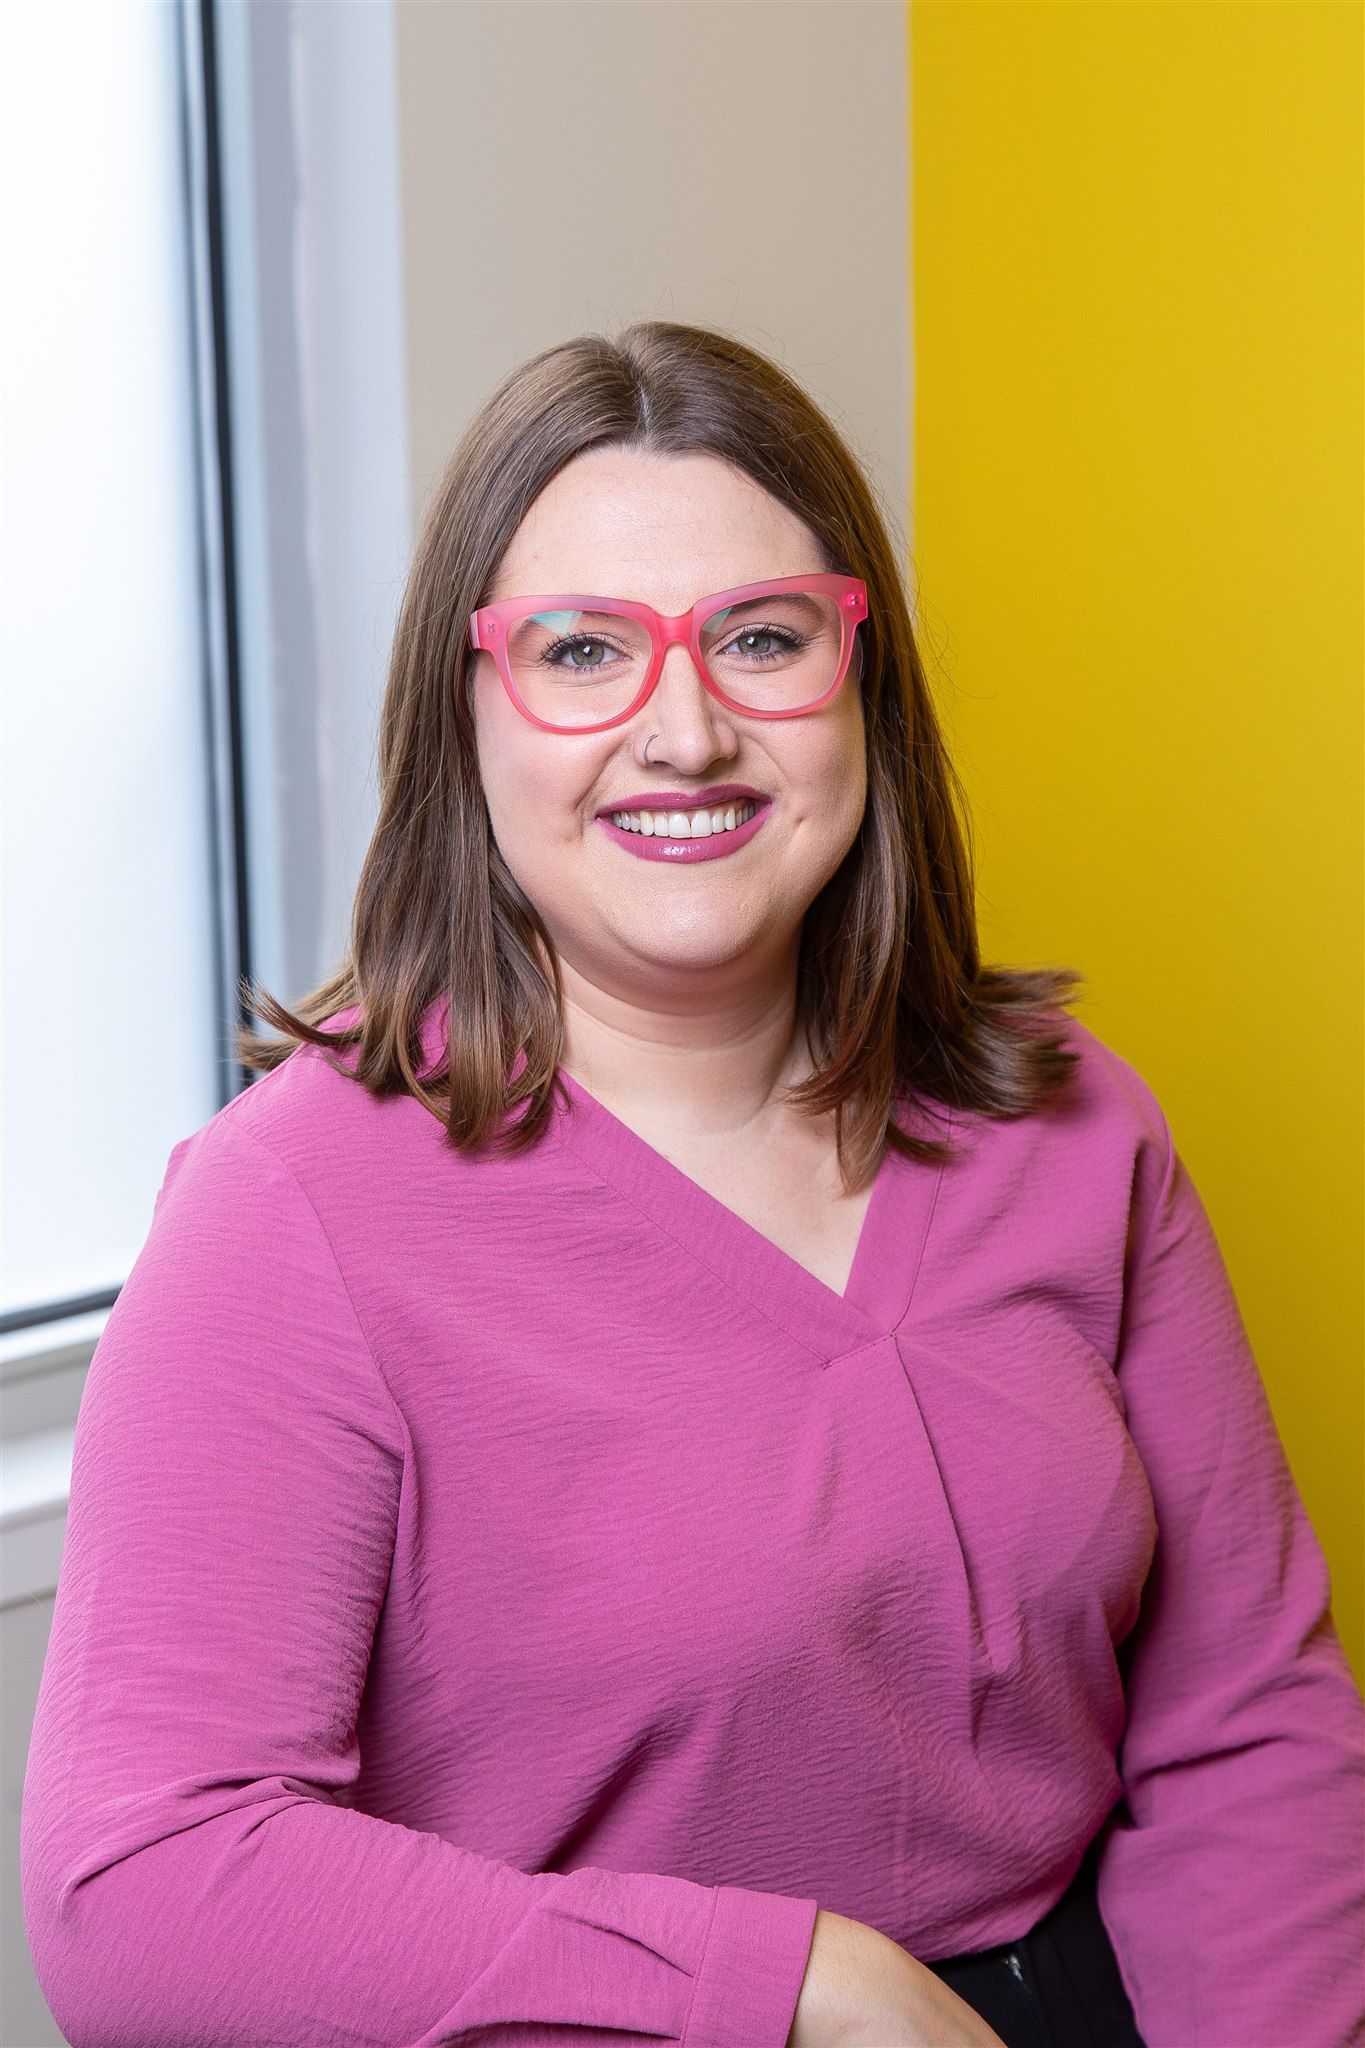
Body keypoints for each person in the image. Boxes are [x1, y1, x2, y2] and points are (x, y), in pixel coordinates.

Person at [20, 320, 1364, 2048]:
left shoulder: (1075, 1126)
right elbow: (141, 1889)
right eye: (583, 651)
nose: (684, 728)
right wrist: (789, 1985)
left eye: (761, 639)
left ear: (857, 684)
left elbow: (1246, 1722)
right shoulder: (291, 1213)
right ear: (470, 714)